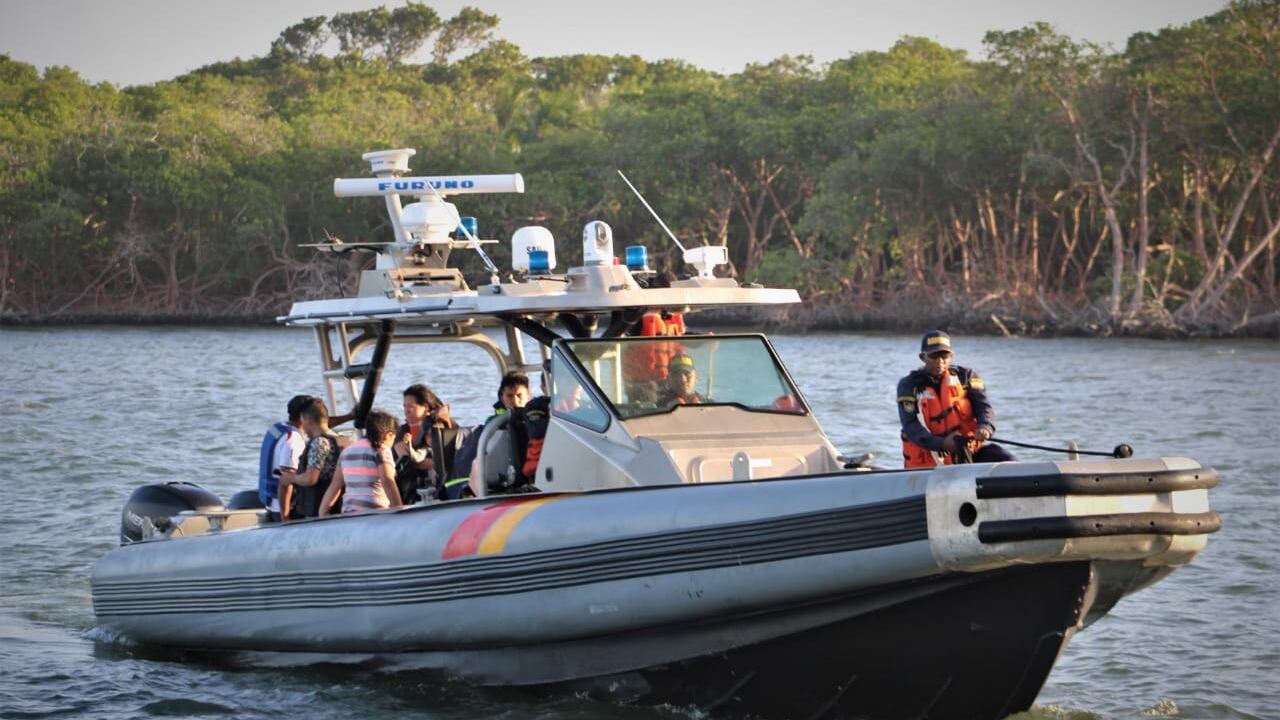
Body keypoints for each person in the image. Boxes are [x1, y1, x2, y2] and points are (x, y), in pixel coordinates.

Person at [897, 330, 1016, 467]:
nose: (940, 361)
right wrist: (941, 444)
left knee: (1008, 460)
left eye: (944, 356)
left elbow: (984, 407)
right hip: (930, 462)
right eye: (934, 356)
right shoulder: (908, 385)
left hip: (968, 452)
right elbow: (910, 425)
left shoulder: (966, 376)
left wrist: (985, 426)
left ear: (951, 356)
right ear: (923, 357)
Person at [394, 384, 471, 504]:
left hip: (446, 481)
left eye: (410, 407)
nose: (406, 411)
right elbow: (406, 459)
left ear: (425, 407)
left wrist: (433, 463)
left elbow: (458, 453)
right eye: (404, 406)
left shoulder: (445, 425)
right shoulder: (403, 431)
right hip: (415, 487)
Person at [320, 409, 403, 515]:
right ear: (388, 435)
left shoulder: (347, 451)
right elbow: (387, 480)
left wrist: (322, 512)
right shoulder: (381, 450)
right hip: (376, 511)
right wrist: (399, 509)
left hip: (350, 512)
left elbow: (335, 485)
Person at [280, 399, 342, 520]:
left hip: (317, 510)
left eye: (302, 420)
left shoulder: (318, 443)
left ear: (309, 420)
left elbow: (311, 478)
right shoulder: (340, 440)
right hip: (337, 507)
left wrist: (291, 478)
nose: (302, 426)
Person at [257, 395, 312, 522]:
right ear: (305, 417)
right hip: (284, 509)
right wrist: (285, 518)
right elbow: (286, 481)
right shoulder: (293, 440)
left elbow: (321, 424)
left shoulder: (277, 428)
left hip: (271, 504)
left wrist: (348, 416)